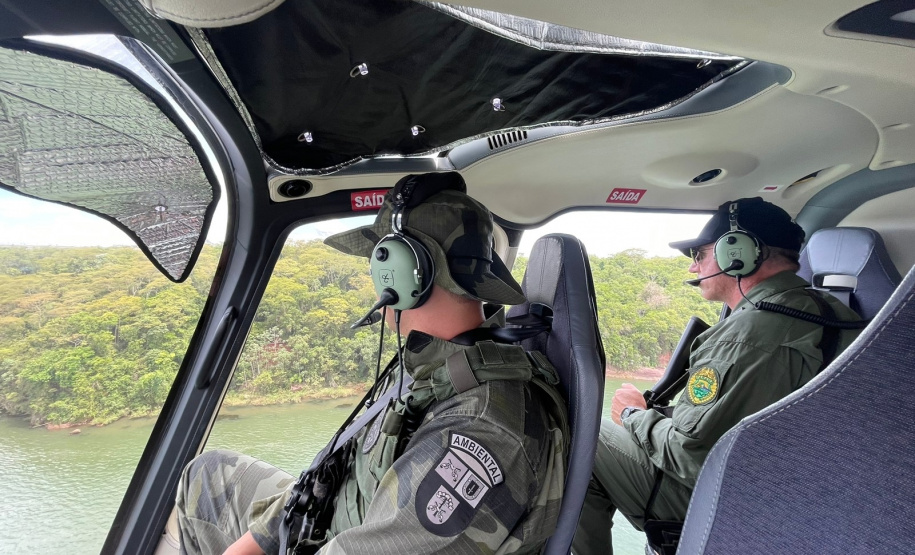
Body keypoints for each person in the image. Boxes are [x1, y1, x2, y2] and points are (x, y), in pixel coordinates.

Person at [176, 172, 567, 555]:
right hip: (336, 519)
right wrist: (260, 539)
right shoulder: (427, 364)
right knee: (205, 474)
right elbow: (340, 462)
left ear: (397, 270)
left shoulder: (483, 432)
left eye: (378, 263)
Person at [573, 197, 863, 554]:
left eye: (700, 254)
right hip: (798, 497)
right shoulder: (835, 314)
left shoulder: (747, 335)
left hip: (732, 503)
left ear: (736, 251)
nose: (694, 268)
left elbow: (691, 458)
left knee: (582, 435)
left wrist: (633, 415)